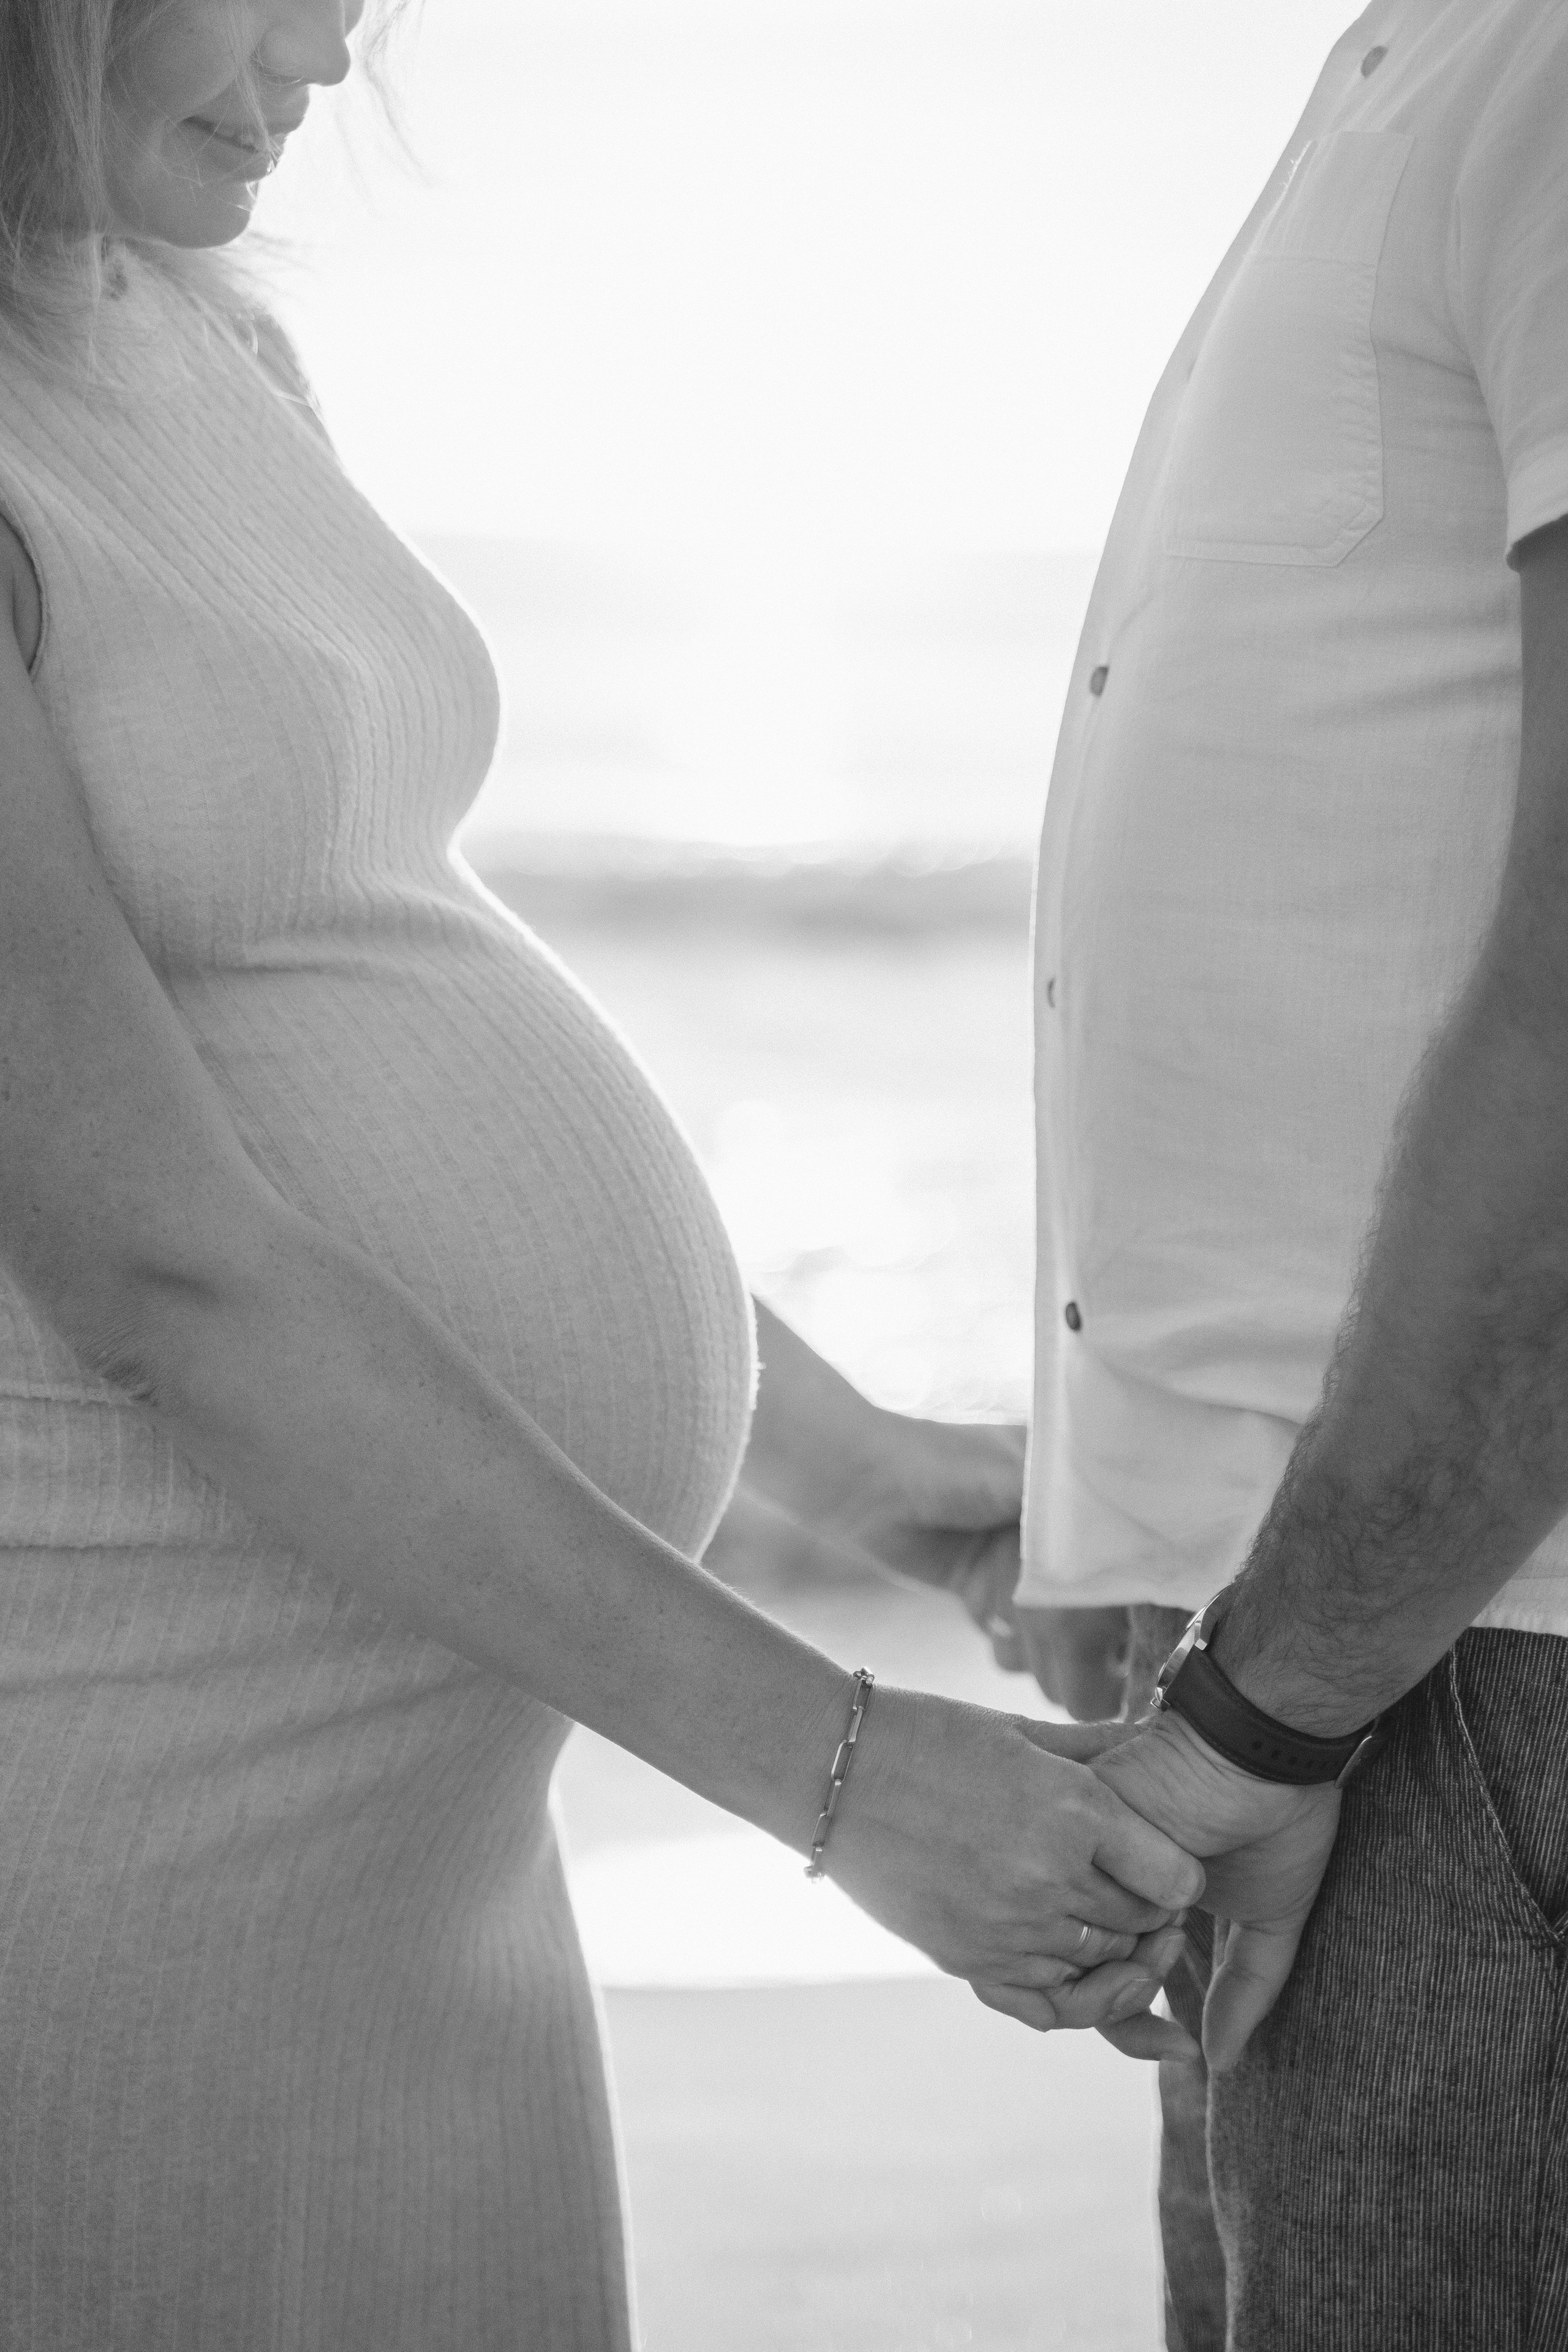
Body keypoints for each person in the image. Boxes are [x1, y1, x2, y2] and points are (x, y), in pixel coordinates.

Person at [0, 2, 1211, 2345]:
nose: (336, 55)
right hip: (128, 1828)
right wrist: (848, 1784)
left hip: (421, 1864)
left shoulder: (198, 333)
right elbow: (166, 1263)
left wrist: (884, 1481)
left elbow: (356, 1010)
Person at [1011, 4, 1568, 2346]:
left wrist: (1276, 1702)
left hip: (1454, 1656)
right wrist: (1100, 1509)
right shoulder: (1411, 64)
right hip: (1318, 1635)